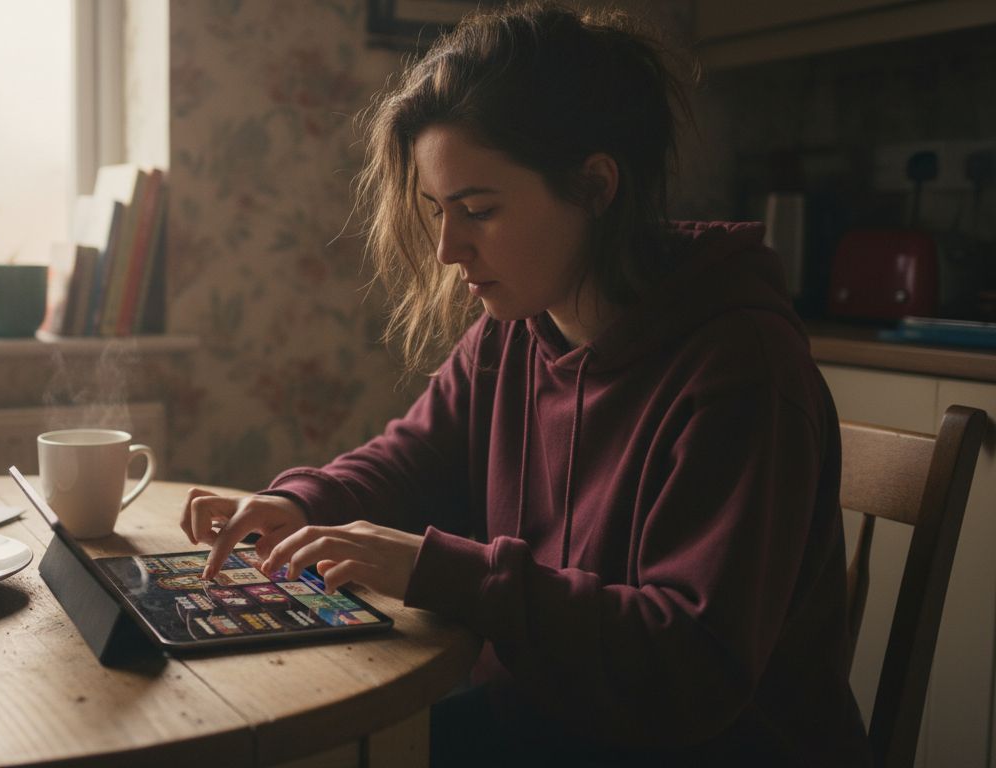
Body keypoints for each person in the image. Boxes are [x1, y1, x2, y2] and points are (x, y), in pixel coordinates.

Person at [181, 2, 871, 764]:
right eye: (436, 212)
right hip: (543, 728)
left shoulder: (740, 369)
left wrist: (435, 570)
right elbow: (409, 459)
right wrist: (298, 502)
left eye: (478, 209)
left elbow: (689, 669)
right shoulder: (513, 333)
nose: (448, 249)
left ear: (597, 186)